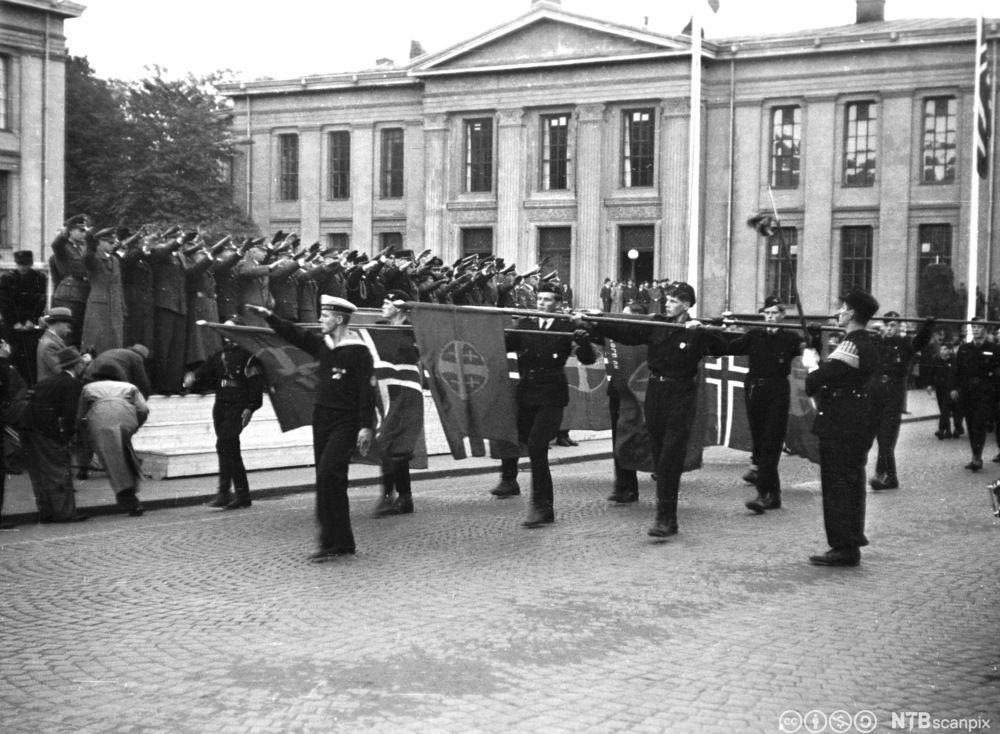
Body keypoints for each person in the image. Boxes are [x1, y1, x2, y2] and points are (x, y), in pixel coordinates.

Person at [579, 282, 727, 538]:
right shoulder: (656, 325)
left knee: (670, 456)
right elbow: (625, 331)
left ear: (687, 305)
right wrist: (595, 321)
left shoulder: (696, 331)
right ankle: (665, 514)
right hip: (655, 394)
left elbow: (727, 346)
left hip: (681, 395)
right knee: (659, 455)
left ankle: (666, 519)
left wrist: (706, 331)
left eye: (673, 301)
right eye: (667, 300)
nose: (667, 304)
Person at [247, 297, 376, 562]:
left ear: (338, 319)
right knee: (327, 479)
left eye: (325, 317)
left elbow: (367, 389)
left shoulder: (359, 351)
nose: (320, 321)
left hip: (346, 420)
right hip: (322, 418)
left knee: (330, 474)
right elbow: (296, 335)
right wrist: (269, 316)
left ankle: (331, 541)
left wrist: (366, 426)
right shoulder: (324, 346)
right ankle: (341, 542)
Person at [491, 282, 596, 528]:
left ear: (558, 303)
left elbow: (588, 359)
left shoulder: (566, 326)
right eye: (539, 299)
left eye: (548, 300)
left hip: (551, 395)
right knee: (527, 443)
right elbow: (501, 344)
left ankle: (542, 507)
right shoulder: (525, 324)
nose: (541, 304)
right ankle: (515, 484)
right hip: (527, 394)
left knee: (538, 447)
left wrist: (583, 342)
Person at [803, 289, 880, 567]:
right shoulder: (864, 342)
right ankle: (850, 542)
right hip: (856, 420)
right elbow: (837, 373)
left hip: (841, 423)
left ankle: (843, 546)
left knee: (838, 485)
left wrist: (811, 362)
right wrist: (814, 343)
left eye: (842, 308)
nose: (837, 312)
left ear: (851, 314)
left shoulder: (851, 344)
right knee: (851, 483)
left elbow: (817, 381)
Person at [721, 296, 811, 514]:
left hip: (777, 391)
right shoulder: (755, 335)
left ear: (782, 315)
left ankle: (764, 494)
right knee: (760, 443)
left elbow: (809, 358)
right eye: (767, 313)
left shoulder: (790, 338)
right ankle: (773, 495)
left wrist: (813, 337)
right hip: (754, 390)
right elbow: (730, 347)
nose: (770, 317)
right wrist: (708, 333)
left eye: (774, 313)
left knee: (771, 441)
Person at [183, 319, 264, 510]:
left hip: (238, 403)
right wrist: (192, 377)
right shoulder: (220, 355)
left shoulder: (249, 355)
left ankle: (233, 494)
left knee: (226, 444)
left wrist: (250, 407)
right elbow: (202, 373)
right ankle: (230, 494)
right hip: (221, 404)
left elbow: (256, 385)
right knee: (226, 447)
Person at [20, 346, 88, 523]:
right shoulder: (72, 384)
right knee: (58, 470)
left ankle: (46, 512)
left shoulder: (47, 381)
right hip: (47, 432)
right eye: (82, 364)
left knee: (39, 474)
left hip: (28, 428)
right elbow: (69, 414)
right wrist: (65, 438)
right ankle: (64, 514)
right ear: (77, 365)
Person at [868, 311, 933, 490]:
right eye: (887, 325)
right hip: (876, 396)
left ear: (899, 328)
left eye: (893, 326)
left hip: (893, 396)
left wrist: (927, 327)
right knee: (882, 439)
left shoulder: (905, 344)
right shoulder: (877, 342)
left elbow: (920, 343)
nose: (889, 329)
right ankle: (892, 478)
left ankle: (880, 474)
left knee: (886, 437)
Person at [77, 365, 149, 517]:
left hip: (100, 419)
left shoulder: (89, 387)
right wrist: (135, 425)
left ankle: (131, 501)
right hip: (126, 417)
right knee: (124, 454)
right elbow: (143, 409)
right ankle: (132, 491)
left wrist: (86, 431)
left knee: (113, 462)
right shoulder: (130, 386)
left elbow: (80, 416)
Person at [372, 290, 420, 517]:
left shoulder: (413, 332)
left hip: (405, 392)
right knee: (387, 442)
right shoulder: (380, 329)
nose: (383, 306)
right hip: (385, 392)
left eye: (387, 303)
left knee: (396, 444)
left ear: (399, 308)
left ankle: (399, 497)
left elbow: (414, 355)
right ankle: (394, 496)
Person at [950, 318, 1000, 472]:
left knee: (979, 423)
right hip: (967, 391)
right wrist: (954, 388)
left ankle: (977, 457)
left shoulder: (994, 348)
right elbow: (957, 370)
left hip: (985, 392)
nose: (976, 329)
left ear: (985, 329)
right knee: (971, 424)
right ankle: (975, 453)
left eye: (979, 327)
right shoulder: (965, 348)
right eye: (974, 327)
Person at [0, 250, 47, 385]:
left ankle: (30, 385)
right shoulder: (7, 278)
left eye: (26, 264)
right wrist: (14, 322)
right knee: (12, 354)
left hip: (29, 325)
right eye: (20, 264)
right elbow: (4, 302)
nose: (23, 268)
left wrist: (31, 320)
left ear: (31, 264)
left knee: (30, 355)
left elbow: (40, 300)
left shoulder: (39, 278)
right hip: (12, 325)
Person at [80, 227, 126, 354]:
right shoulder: (94, 258)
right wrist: (90, 242)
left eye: (113, 242)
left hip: (115, 307)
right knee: (97, 341)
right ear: (100, 242)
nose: (113, 245)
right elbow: (87, 259)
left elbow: (118, 285)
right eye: (110, 242)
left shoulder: (115, 260)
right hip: (99, 306)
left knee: (115, 342)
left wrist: (123, 306)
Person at [48, 214, 91, 347]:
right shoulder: (63, 248)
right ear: (71, 231)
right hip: (69, 296)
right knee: (68, 334)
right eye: (81, 230)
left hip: (83, 294)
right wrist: (68, 226)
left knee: (80, 334)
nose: (84, 234)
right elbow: (56, 244)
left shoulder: (82, 248)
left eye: (85, 231)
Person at [930, 342, 961, 439]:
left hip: (952, 388)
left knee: (949, 409)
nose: (942, 351)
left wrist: (956, 388)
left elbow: (959, 375)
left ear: (950, 350)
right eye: (941, 349)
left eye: (945, 349)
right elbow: (932, 372)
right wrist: (929, 385)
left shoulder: (955, 360)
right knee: (943, 409)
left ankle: (945, 429)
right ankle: (948, 430)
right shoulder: (936, 359)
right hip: (940, 388)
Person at [36, 307, 75, 383]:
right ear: (59, 323)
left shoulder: (52, 340)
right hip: (53, 391)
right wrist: (83, 361)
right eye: (67, 326)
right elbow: (62, 371)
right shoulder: (50, 344)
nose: (69, 330)